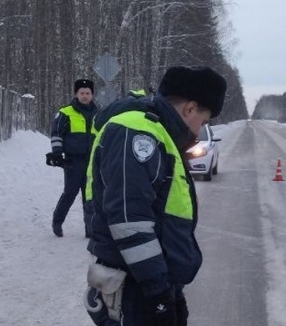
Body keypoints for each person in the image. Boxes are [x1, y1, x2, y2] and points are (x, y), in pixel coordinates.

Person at [84, 66, 226, 326]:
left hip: (149, 281)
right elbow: (130, 221)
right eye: (204, 122)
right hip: (134, 287)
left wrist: (172, 292)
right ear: (190, 109)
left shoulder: (160, 132)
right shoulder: (137, 133)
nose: (199, 132)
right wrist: (158, 293)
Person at [45, 79, 98, 237]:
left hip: (92, 161)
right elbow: (56, 134)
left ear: (92, 94)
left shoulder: (99, 113)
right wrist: (57, 153)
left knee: (89, 196)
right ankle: (57, 222)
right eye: (82, 93)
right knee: (70, 193)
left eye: (87, 93)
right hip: (73, 161)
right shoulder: (65, 112)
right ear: (76, 94)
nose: (85, 96)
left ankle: (90, 229)